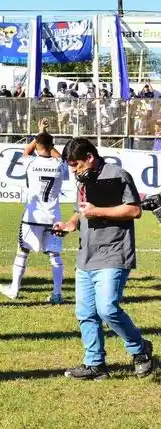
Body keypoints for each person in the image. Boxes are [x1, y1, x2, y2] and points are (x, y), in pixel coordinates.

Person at [54, 137, 155, 379]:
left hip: (113, 252)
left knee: (107, 309)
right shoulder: (83, 179)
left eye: (76, 164)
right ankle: (95, 365)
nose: (73, 170)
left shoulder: (117, 175)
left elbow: (134, 210)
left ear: (89, 157)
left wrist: (97, 211)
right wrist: (70, 224)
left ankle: (140, 349)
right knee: (86, 313)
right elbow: (81, 210)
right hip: (86, 256)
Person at [0, 119, 66, 303]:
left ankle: (14, 289)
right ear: (52, 146)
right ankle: (57, 294)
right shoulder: (59, 165)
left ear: (37, 145)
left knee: (22, 251)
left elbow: (26, 151)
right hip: (53, 217)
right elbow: (60, 157)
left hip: (32, 217)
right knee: (54, 255)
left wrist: (39, 135)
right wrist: (45, 138)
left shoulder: (30, 162)